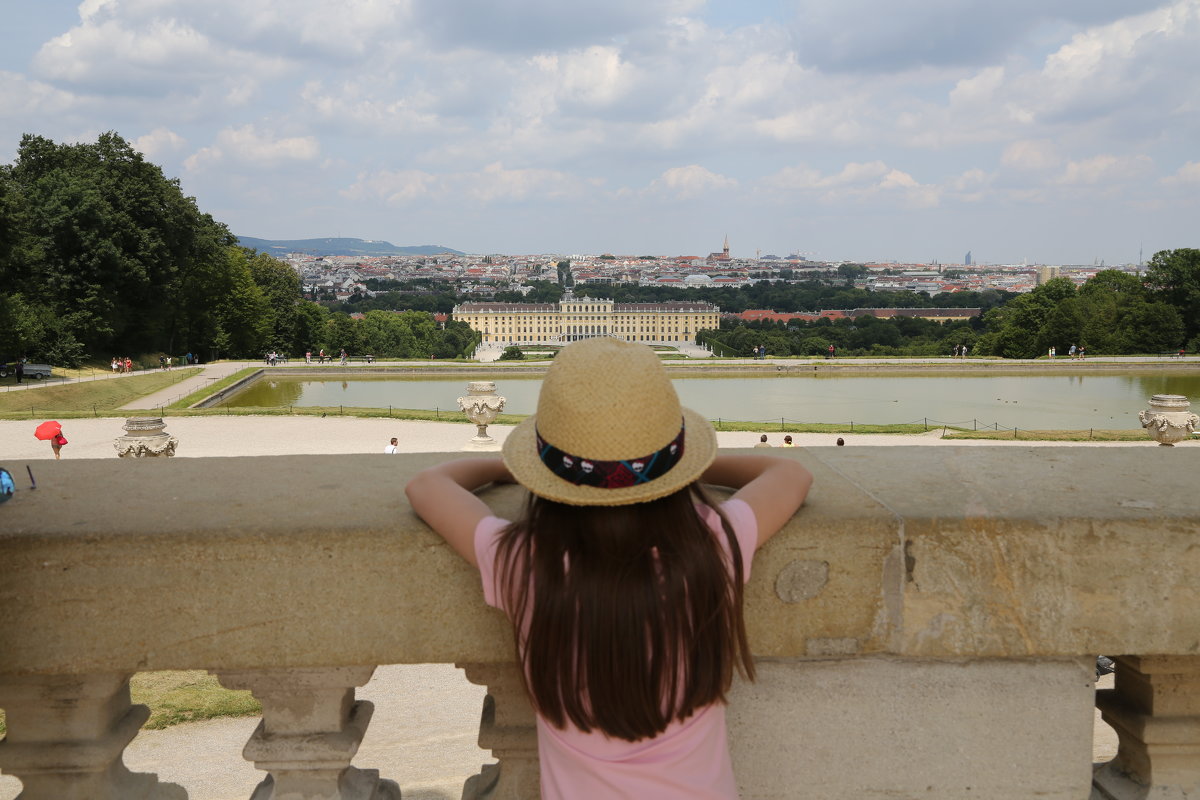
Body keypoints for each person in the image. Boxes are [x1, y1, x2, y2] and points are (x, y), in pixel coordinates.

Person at [405, 338, 812, 800]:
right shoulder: (715, 544)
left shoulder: (525, 563)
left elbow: (427, 484)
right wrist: (670, 465)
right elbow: (790, 474)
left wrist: (522, 466)